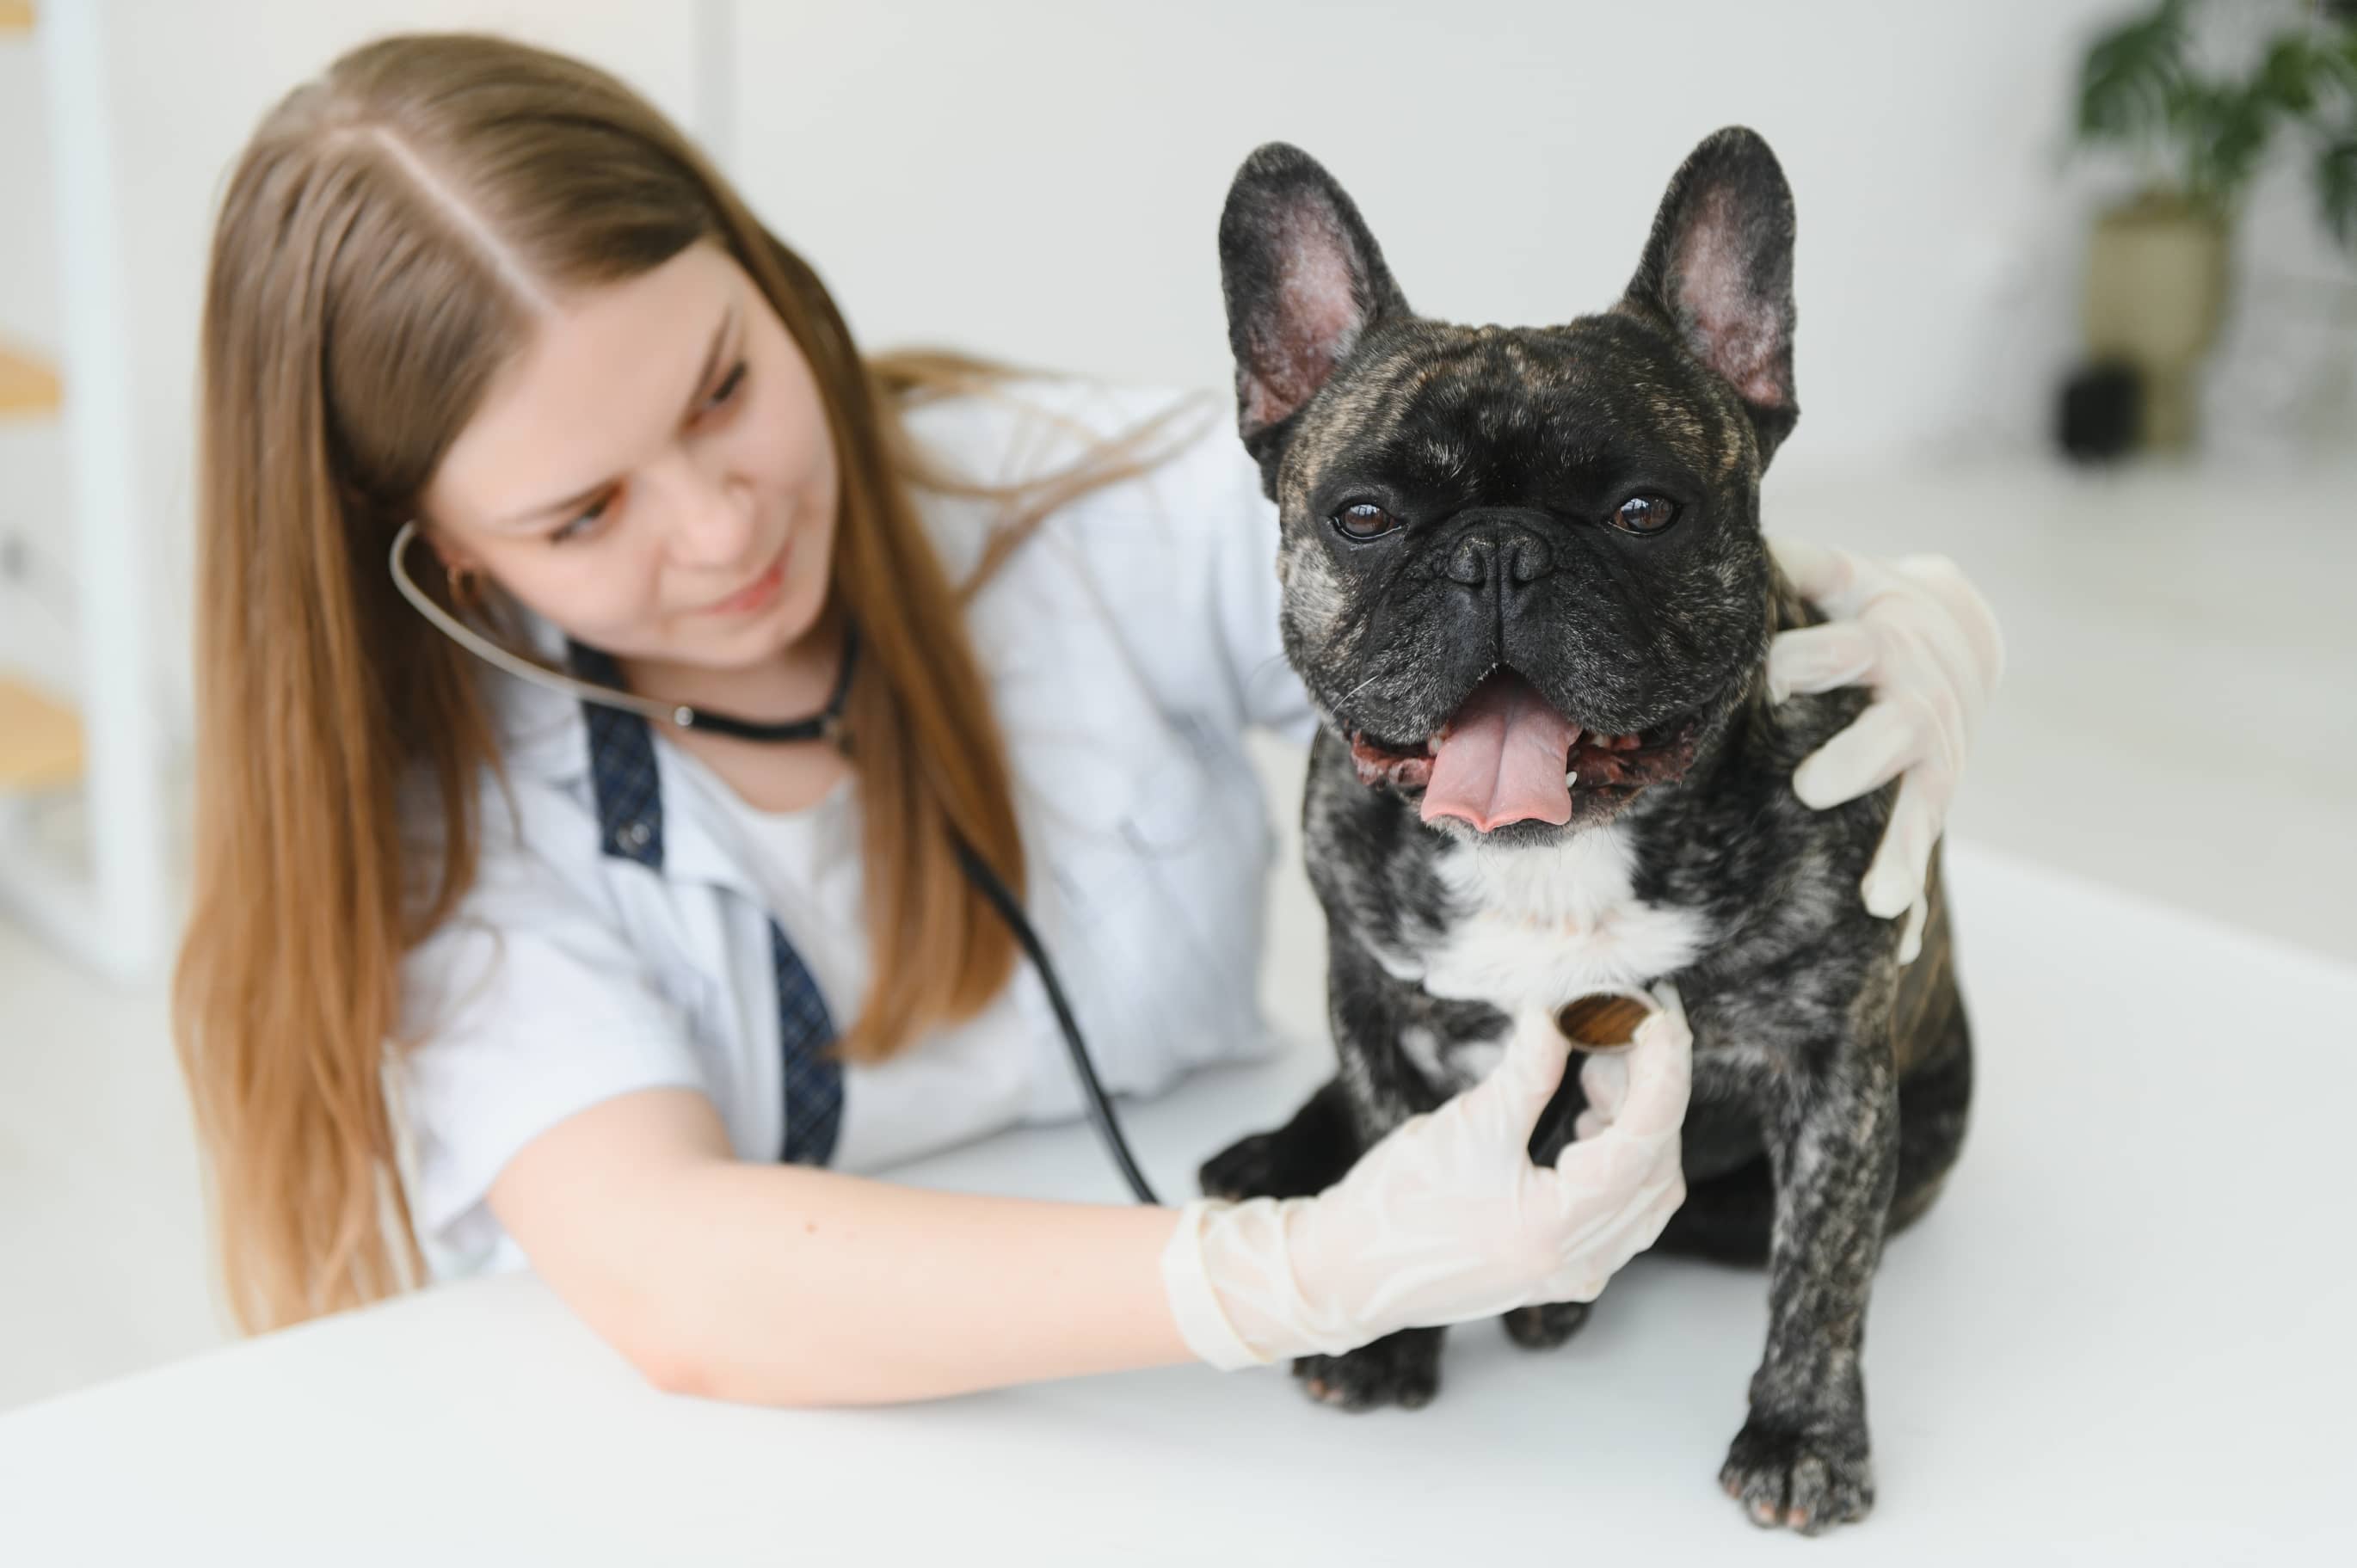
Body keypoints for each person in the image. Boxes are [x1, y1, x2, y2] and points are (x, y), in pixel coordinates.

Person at [171, 34, 2003, 1407]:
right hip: (837, 1434)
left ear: (772, 279)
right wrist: (1286, 1274)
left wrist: (1856, 596)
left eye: (724, 389)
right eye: (583, 514)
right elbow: (681, 1284)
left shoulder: (1043, 497)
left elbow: (1455, 559)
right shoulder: (444, 838)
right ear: (440, 560)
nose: (719, 525)